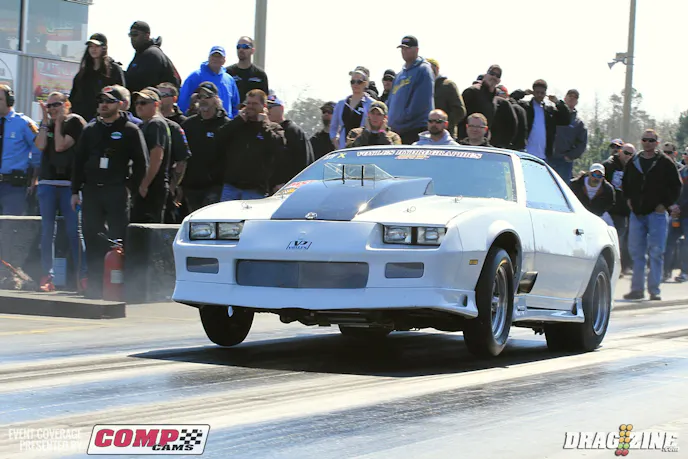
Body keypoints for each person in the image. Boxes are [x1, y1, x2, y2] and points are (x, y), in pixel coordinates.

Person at [71, 86, 149, 298]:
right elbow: (78, 162)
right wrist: (75, 190)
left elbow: (142, 163)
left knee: (117, 238)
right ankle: (94, 288)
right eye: (101, 101)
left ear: (120, 104)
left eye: (109, 101)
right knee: (92, 237)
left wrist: (130, 187)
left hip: (116, 190)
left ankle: (116, 287)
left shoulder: (130, 130)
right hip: (92, 191)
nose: (103, 105)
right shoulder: (90, 129)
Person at [34, 92, 87, 292]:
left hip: (68, 185)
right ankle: (47, 276)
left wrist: (57, 123)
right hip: (47, 182)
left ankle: (83, 276)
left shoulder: (74, 122)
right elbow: (40, 145)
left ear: (66, 104)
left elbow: (60, 145)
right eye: (49, 106)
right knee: (47, 230)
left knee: (74, 231)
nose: (52, 109)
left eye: (56, 105)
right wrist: (45, 121)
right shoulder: (46, 124)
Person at [621, 129, 682, 301]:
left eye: (651, 140)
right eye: (645, 140)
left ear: (657, 143)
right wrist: (628, 199)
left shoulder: (665, 162)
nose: (647, 143)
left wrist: (665, 204)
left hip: (657, 214)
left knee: (656, 252)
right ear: (641, 141)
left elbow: (676, 186)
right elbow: (625, 183)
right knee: (637, 252)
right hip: (637, 213)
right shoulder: (634, 161)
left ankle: (654, 290)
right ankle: (637, 290)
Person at [215, 89, 285, 201]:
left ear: (264, 106)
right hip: (231, 187)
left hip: (255, 190)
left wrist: (263, 125)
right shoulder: (238, 124)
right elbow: (218, 138)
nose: (250, 107)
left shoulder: (273, 127)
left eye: (255, 104)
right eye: (248, 103)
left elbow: (277, 146)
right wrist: (237, 121)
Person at [180, 82, 230, 212]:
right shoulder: (189, 124)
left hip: (215, 186)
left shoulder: (226, 125)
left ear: (216, 99)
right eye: (200, 96)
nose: (203, 100)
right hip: (191, 186)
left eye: (207, 96)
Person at [131, 88, 171, 224]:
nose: (139, 106)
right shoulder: (144, 124)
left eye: (143, 103)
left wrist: (144, 184)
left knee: (149, 228)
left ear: (156, 104)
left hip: (153, 187)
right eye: (137, 103)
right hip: (144, 186)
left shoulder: (156, 124)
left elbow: (156, 157)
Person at [0, 85, 41, 215]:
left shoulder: (24, 123)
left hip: (13, 186)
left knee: (10, 224)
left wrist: (34, 177)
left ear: (10, 101)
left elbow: (38, 150)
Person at [386, 35, 435, 145]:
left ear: (416, 50)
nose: (404, 51)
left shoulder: (423, 70)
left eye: (407, 48)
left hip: (414, 131)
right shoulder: (399, 74)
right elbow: (390, 101)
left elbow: (420, 103)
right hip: (397, 131)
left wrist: (400, 118)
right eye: (402, 48)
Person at [69, 33, 125, 122]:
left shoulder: (114, 70)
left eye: (97, 46)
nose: (93, 49)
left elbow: (121, 95)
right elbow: (73, 98)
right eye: (91, 46)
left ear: (104, 47)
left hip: (106, 119)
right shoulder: (82, 73)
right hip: (83, 120)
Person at [510, 80, 571, 161]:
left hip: (543, 156)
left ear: (545, 93)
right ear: (533, 92)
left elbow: (566, 120)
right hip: (524, 153)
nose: (539, 95)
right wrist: (523, 93)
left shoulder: (549, 111)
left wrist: (558, 102)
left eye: (542, 93)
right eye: (537, 92)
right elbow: (510, 100)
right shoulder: (525, 107)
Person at [267, 94, 314, 191]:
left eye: (270, 107)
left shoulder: (294, 131)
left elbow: (305, 162)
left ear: (281, 108)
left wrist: (288, 185)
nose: (267, 110)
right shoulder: (265, 130)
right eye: (265, 107)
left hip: (289, 189)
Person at [178, 46, 239, 118]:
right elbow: (183, 99)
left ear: (224, 60)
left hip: (225, 122)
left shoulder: (229, 79)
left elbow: (235, 105)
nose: (215, 59)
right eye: (213, 56)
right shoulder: (196, 76)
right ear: (209, 58)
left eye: (219, 57)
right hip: (201, 121)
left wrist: (232, 120)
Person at [603, 141, 634, 275]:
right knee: (614, 239)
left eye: (631, 154)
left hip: (626, 210)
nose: (628, 156)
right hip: (610, 210)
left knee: (625, 241)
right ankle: (613, 268)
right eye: (626, 153)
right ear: (620, 152)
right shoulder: (608, 165)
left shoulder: (634, 168)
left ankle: (624, 266)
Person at [125, 21, 180, 93]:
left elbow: (145, 85)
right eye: (130, 35)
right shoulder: (140, 54)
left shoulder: (152, 54)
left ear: (147, 35)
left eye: (135, 34)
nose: (132, 38)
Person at [329, 67, 376, 149]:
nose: (355, 84)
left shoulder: (371, 104)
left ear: (365, 83)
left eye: (359, 82)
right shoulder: (341, 104)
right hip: (343, 149)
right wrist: (336, 142)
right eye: (353, 82)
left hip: (362, 148)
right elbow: (333, 127)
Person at [550, 89, 588, 181]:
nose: (572, 99)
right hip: (548, 157)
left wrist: (569, 156)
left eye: (575, 97)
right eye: (570, 96)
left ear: (577, 102)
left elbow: (582, 144)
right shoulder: (553, 115)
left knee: (562, 186)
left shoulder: (578, 123)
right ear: (565, 98)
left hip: (564, 162)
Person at [426, 58, 466, 140]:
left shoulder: (448, 85)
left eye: (429, 68)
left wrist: (442, 125)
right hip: (426, 137)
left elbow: (460, 111)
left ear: (437, 68)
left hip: (445, 138)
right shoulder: (422, 88)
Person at [225, 37, 269, 103]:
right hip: (233, 109)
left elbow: (265, 99)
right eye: (238, 47)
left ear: (252, 50)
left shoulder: (260, 75)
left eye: (245, 47)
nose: (241, 49)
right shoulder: (227, 73)